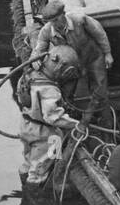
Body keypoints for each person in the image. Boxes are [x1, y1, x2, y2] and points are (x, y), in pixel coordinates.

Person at [32, 0, 114, 127]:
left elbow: (100, 34)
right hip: (71, 66)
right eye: (51, 21)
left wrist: (107, 53)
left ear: (63, 14)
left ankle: (105, 124)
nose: (55, 24)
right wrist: (35, 59)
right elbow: (39, 47)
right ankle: (69, 122)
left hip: (93, 58)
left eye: (57, 19)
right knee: (66, 94)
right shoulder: (47, 31)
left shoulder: (80, 20)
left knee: (100, 91)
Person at [19, 45, 82, 191]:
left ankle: (25, 190)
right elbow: (53, 118)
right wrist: (76, 124)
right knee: (41, 168)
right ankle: (39, 197)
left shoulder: (30, 75)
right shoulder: (49, 90)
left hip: (26, 124)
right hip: (45, 133)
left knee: (29, 162)